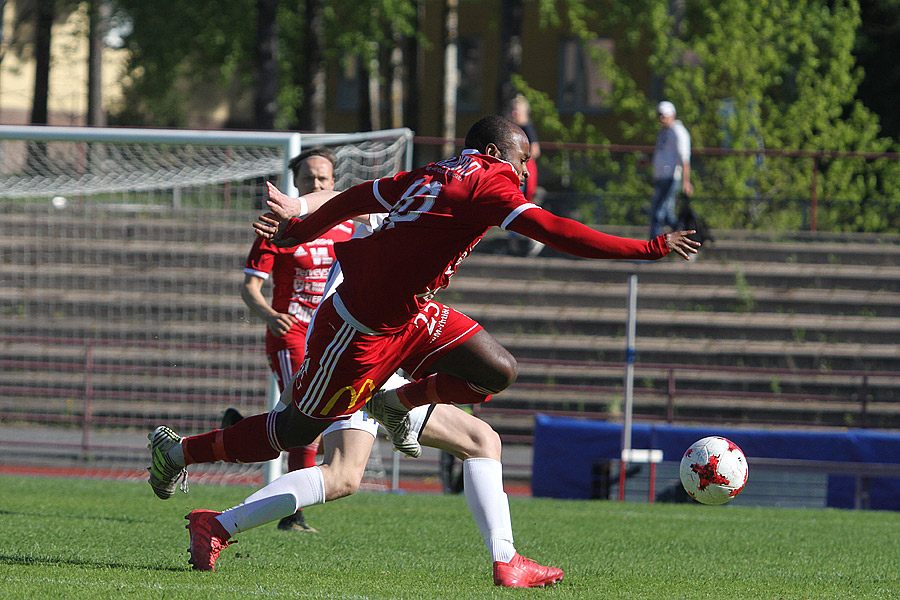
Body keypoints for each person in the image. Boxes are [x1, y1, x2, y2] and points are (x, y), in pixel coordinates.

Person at [149, 114, 699, 585]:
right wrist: (650, 248)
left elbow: (359, 195)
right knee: (297, 437)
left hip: (411, 317)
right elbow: (556, 230)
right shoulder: (487, 183)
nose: (526, 171)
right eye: (522, 158)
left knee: (496, 377)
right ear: (491, 152)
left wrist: (304, 222)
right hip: (359, 334)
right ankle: (181, 459)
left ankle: (502, 556)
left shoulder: (433, 176)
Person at [231, 146, 351, 533]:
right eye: (307, 179)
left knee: (308, 415)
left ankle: (237, 433)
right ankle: (292, 515)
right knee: (305, 411)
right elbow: (250, 287)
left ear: (333, 184)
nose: (315, 184)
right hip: (292, 332)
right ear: (294, 185)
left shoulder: (352, 224)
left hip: (333, 334)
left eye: (322, 179)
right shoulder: (277, 226)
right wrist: (270, 315)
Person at [649, 100, 693, 239]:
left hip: (670, 177)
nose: (662, 119)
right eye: (660, 115)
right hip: (662, 177)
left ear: (672, 115)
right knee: (667, 215)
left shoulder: (678, 131)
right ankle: (685, 240)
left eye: (664, 115)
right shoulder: (663, 132)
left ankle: (652, 249)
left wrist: (686, 181)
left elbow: (684, 157)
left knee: (657, 212)